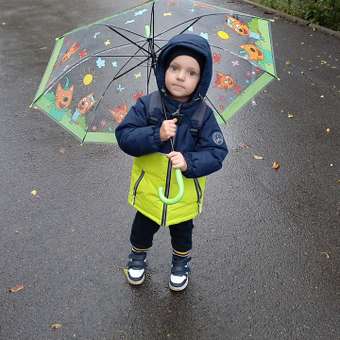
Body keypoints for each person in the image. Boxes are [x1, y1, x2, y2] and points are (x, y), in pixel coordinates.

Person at [115, 33, 228, 291]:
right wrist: (157, 134)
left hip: (184, 195)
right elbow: (124, 136)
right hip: (149, 191)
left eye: (191, 73)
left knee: (182, 232)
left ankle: (181, 262)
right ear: (163, 68)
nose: (180, 76)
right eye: (175, 68)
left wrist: (189, 162)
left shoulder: (203, 115)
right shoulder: (148, 105)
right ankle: (137, 256)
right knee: (142, 227)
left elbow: (216, 152)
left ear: (202, 79)